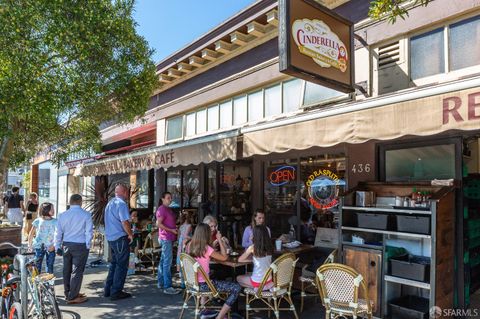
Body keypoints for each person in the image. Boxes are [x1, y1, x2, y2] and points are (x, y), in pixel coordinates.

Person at [187, 223, 241, 319]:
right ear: (206, 234)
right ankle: (219, 317)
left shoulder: (190, 245)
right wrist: (219, 239)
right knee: (236, 287)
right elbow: (224, 257)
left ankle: (205, 311)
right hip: (205, 286)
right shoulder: (207, 248)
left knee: (211, 275)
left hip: (192, 284)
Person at [55, 194, 93, 304]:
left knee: (66, 269)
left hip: (67, 244)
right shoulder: (86, 215)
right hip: (80, 245)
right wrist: (88, 245)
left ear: (69, 202)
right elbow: (88, 232)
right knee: (77, 270)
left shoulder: (62, 215)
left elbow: (58, 232)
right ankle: (73, 296)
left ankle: (68, 293)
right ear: (80, 202)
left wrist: (57, 246)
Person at [104, 184, 134, 300]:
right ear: (124, 192)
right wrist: (130, 234)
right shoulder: (121, 204)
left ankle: (108, 289)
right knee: (121, 265)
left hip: (111, 238)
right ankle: (116, 291)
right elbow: (125, 222)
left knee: (114, 264)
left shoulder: (110, 203)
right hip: (119, 237)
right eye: (127, 191)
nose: (128, 194)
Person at [156, 191, 181, 294]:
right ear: (162, 199)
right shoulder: (162, 209)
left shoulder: (168, 209)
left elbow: (169, 222)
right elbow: (158, 224)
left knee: (163, 260)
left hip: (168, 237)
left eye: (170, 198)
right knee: (167, 262)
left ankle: (161, 282)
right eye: (168, 198)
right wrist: (171, 230)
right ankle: (168, 286)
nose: (170, 199)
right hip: (166, 238)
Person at [237, 225, 274, 290]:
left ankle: (259, 288)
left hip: (257, 282)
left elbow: (240, 260)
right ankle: (264, 287)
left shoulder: (252, 248)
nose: (251, 235)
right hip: (268, 280)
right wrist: (254, 260)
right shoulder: (270, 247)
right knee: (250, 275)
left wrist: (252, 260)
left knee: (238, 278)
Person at [28, 202, 57, 274]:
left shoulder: (56, 221)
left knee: (50, 266)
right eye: (52, 209)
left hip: (51, 247)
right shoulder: (38, 220)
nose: (54, 211)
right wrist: (29, 245)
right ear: (46, 210)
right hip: (38, 247)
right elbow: (31, 234)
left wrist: (54, 245)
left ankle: (49, 283)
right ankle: (36, 283)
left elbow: (59, 235)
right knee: (37, 266)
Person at [176, 210, 193, 287]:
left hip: (180, 245)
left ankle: (183, 282)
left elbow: (179, 237)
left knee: (181, 261)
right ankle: (188, 282)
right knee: (187, 262)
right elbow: (186, 236)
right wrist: (193, 238)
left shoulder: (181, 226)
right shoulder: (189, 226)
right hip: (186, 245)